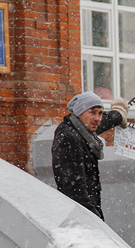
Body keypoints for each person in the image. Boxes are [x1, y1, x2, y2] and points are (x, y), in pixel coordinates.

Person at [51, 91, 129, 220]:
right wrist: (96, 221)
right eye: (92, 112)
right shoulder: (69, 138)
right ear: (79, 113)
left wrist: (118, 115)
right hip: (79, 217)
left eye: (100, 113)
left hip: (85, 213)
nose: (97, 118)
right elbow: (75, 191)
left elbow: (103, 122)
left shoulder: (81, 130)